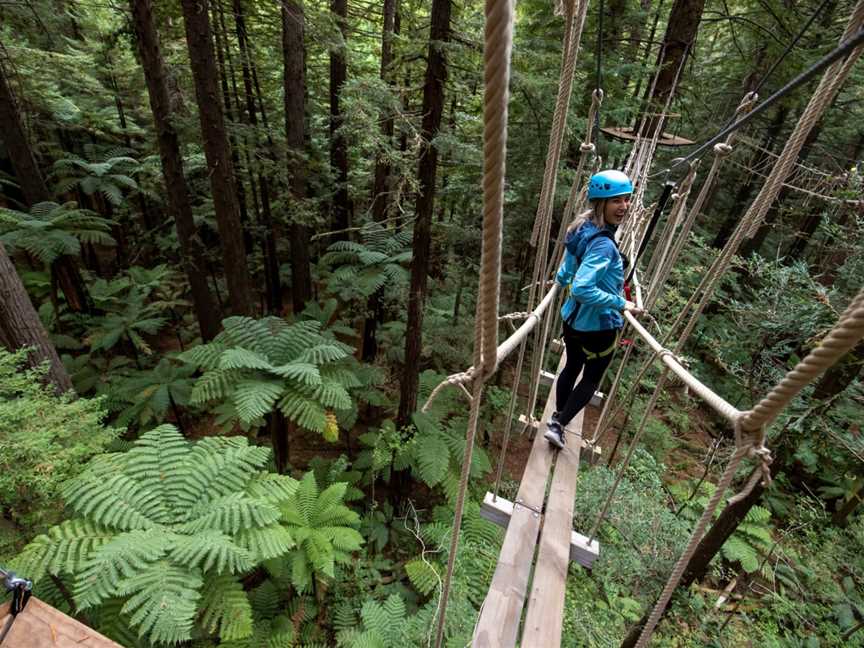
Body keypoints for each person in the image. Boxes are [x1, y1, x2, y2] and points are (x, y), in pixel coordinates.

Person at [544, 169, 643, 449]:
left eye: (626, 199)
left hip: (571, 320)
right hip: (599, 327)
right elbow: (583, 288)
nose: (623, 206)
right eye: (616, 201)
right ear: (601, 203)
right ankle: (559, 424)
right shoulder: (604, 246)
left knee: (571, 366)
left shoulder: (580, 227)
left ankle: (556, 417)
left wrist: (560, 280)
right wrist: (622, 303)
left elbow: (567, 271)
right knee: (590, 380)